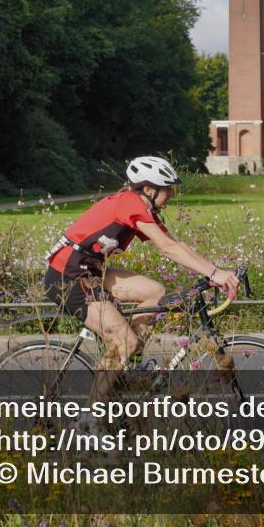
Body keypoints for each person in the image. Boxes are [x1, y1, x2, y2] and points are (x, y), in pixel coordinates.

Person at [42, 156, 240, 402]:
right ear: (148, 189)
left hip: (91, 271)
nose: (172, 193)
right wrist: (214, 273)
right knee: (125, 340)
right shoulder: (129, 203)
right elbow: (167, 248)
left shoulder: (143, 206)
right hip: (66, 277)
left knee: (154, 291)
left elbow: (175, 244)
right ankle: (89, 421)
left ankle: (127, 365)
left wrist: (213, 270)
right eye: (168, 188)